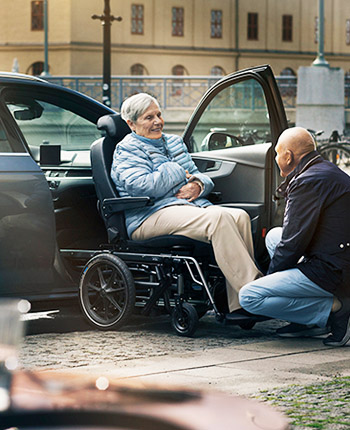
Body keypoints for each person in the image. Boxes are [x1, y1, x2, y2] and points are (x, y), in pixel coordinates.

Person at [110, 92, 261, 315]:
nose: (157, 122)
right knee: (218, 219)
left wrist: (198, 185)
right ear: (131, 123)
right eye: (149, 117)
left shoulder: (172, 142)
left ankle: (239, 301)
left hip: (184, 207)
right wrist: (177, 171)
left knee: (240, 216)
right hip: (147, 215)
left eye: (158, 115)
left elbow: (198, 176)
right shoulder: (127, 149)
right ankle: (255, 294)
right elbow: (141, 187)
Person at [239, 127, 350, 347]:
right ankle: (307, 321)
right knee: (273, 236)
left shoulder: (307, 181)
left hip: (334, 270)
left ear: (288, 156)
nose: (277, 159)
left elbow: (292, 244)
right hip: (337, 255)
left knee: (249, 297)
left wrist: (270, 279)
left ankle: (337, 309)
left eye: (278, 154)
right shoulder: (324, 170)